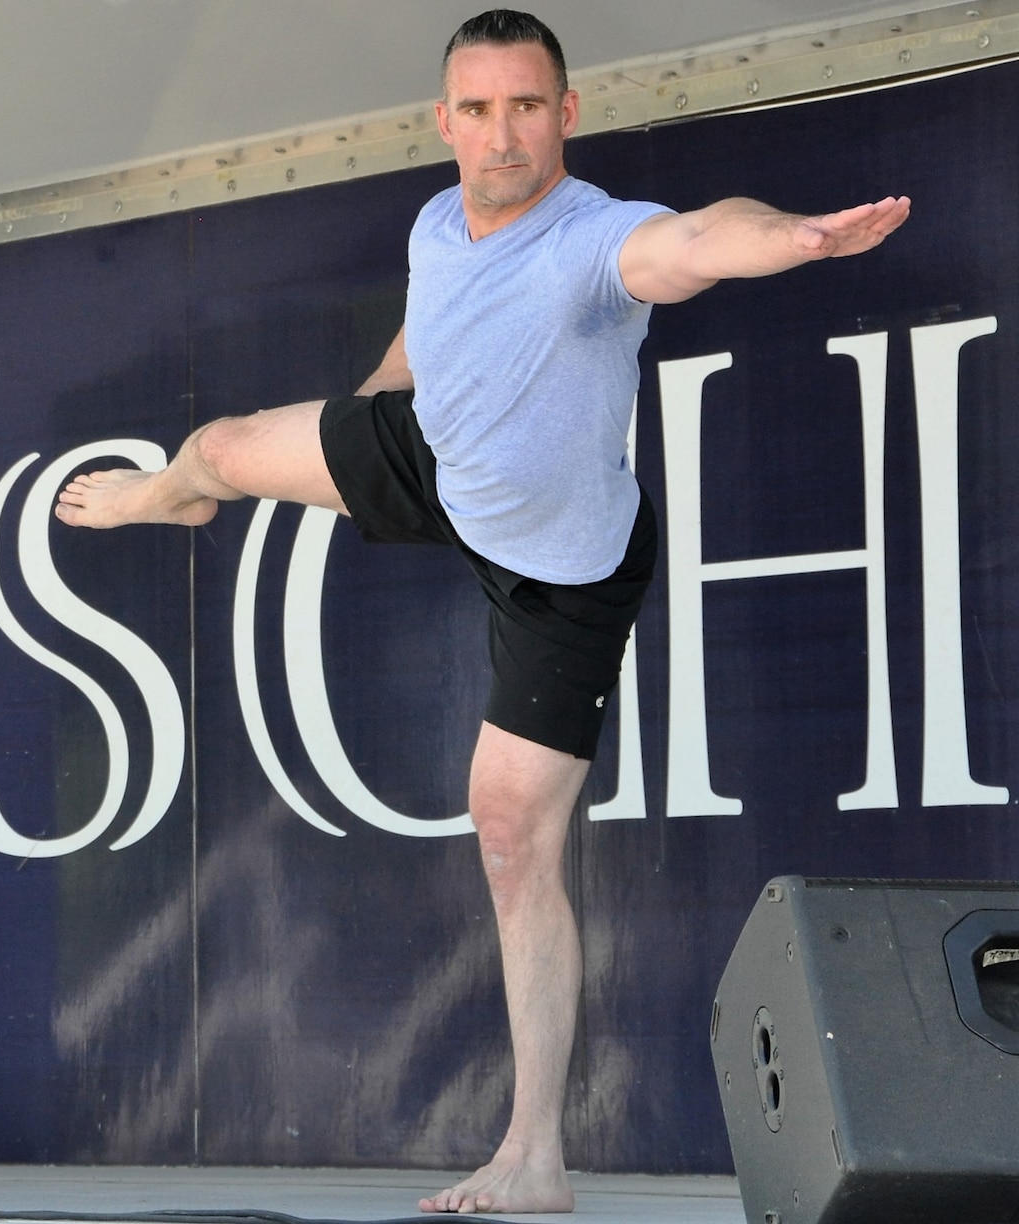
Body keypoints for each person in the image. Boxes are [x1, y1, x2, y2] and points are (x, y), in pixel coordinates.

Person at [56, 9, 907, 1215]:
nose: (500, 134)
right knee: (218, 446)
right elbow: (432, 315)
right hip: (438, 457)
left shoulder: (592, 238)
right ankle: (171, 500)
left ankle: (532, 1157)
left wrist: (797, 239)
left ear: (564, 113)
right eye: (476, 109)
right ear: (442, 120)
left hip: (562, 565)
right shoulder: (433, 217)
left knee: (509, 839)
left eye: (524, 107)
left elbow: (698, 241)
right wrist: (360, 423)